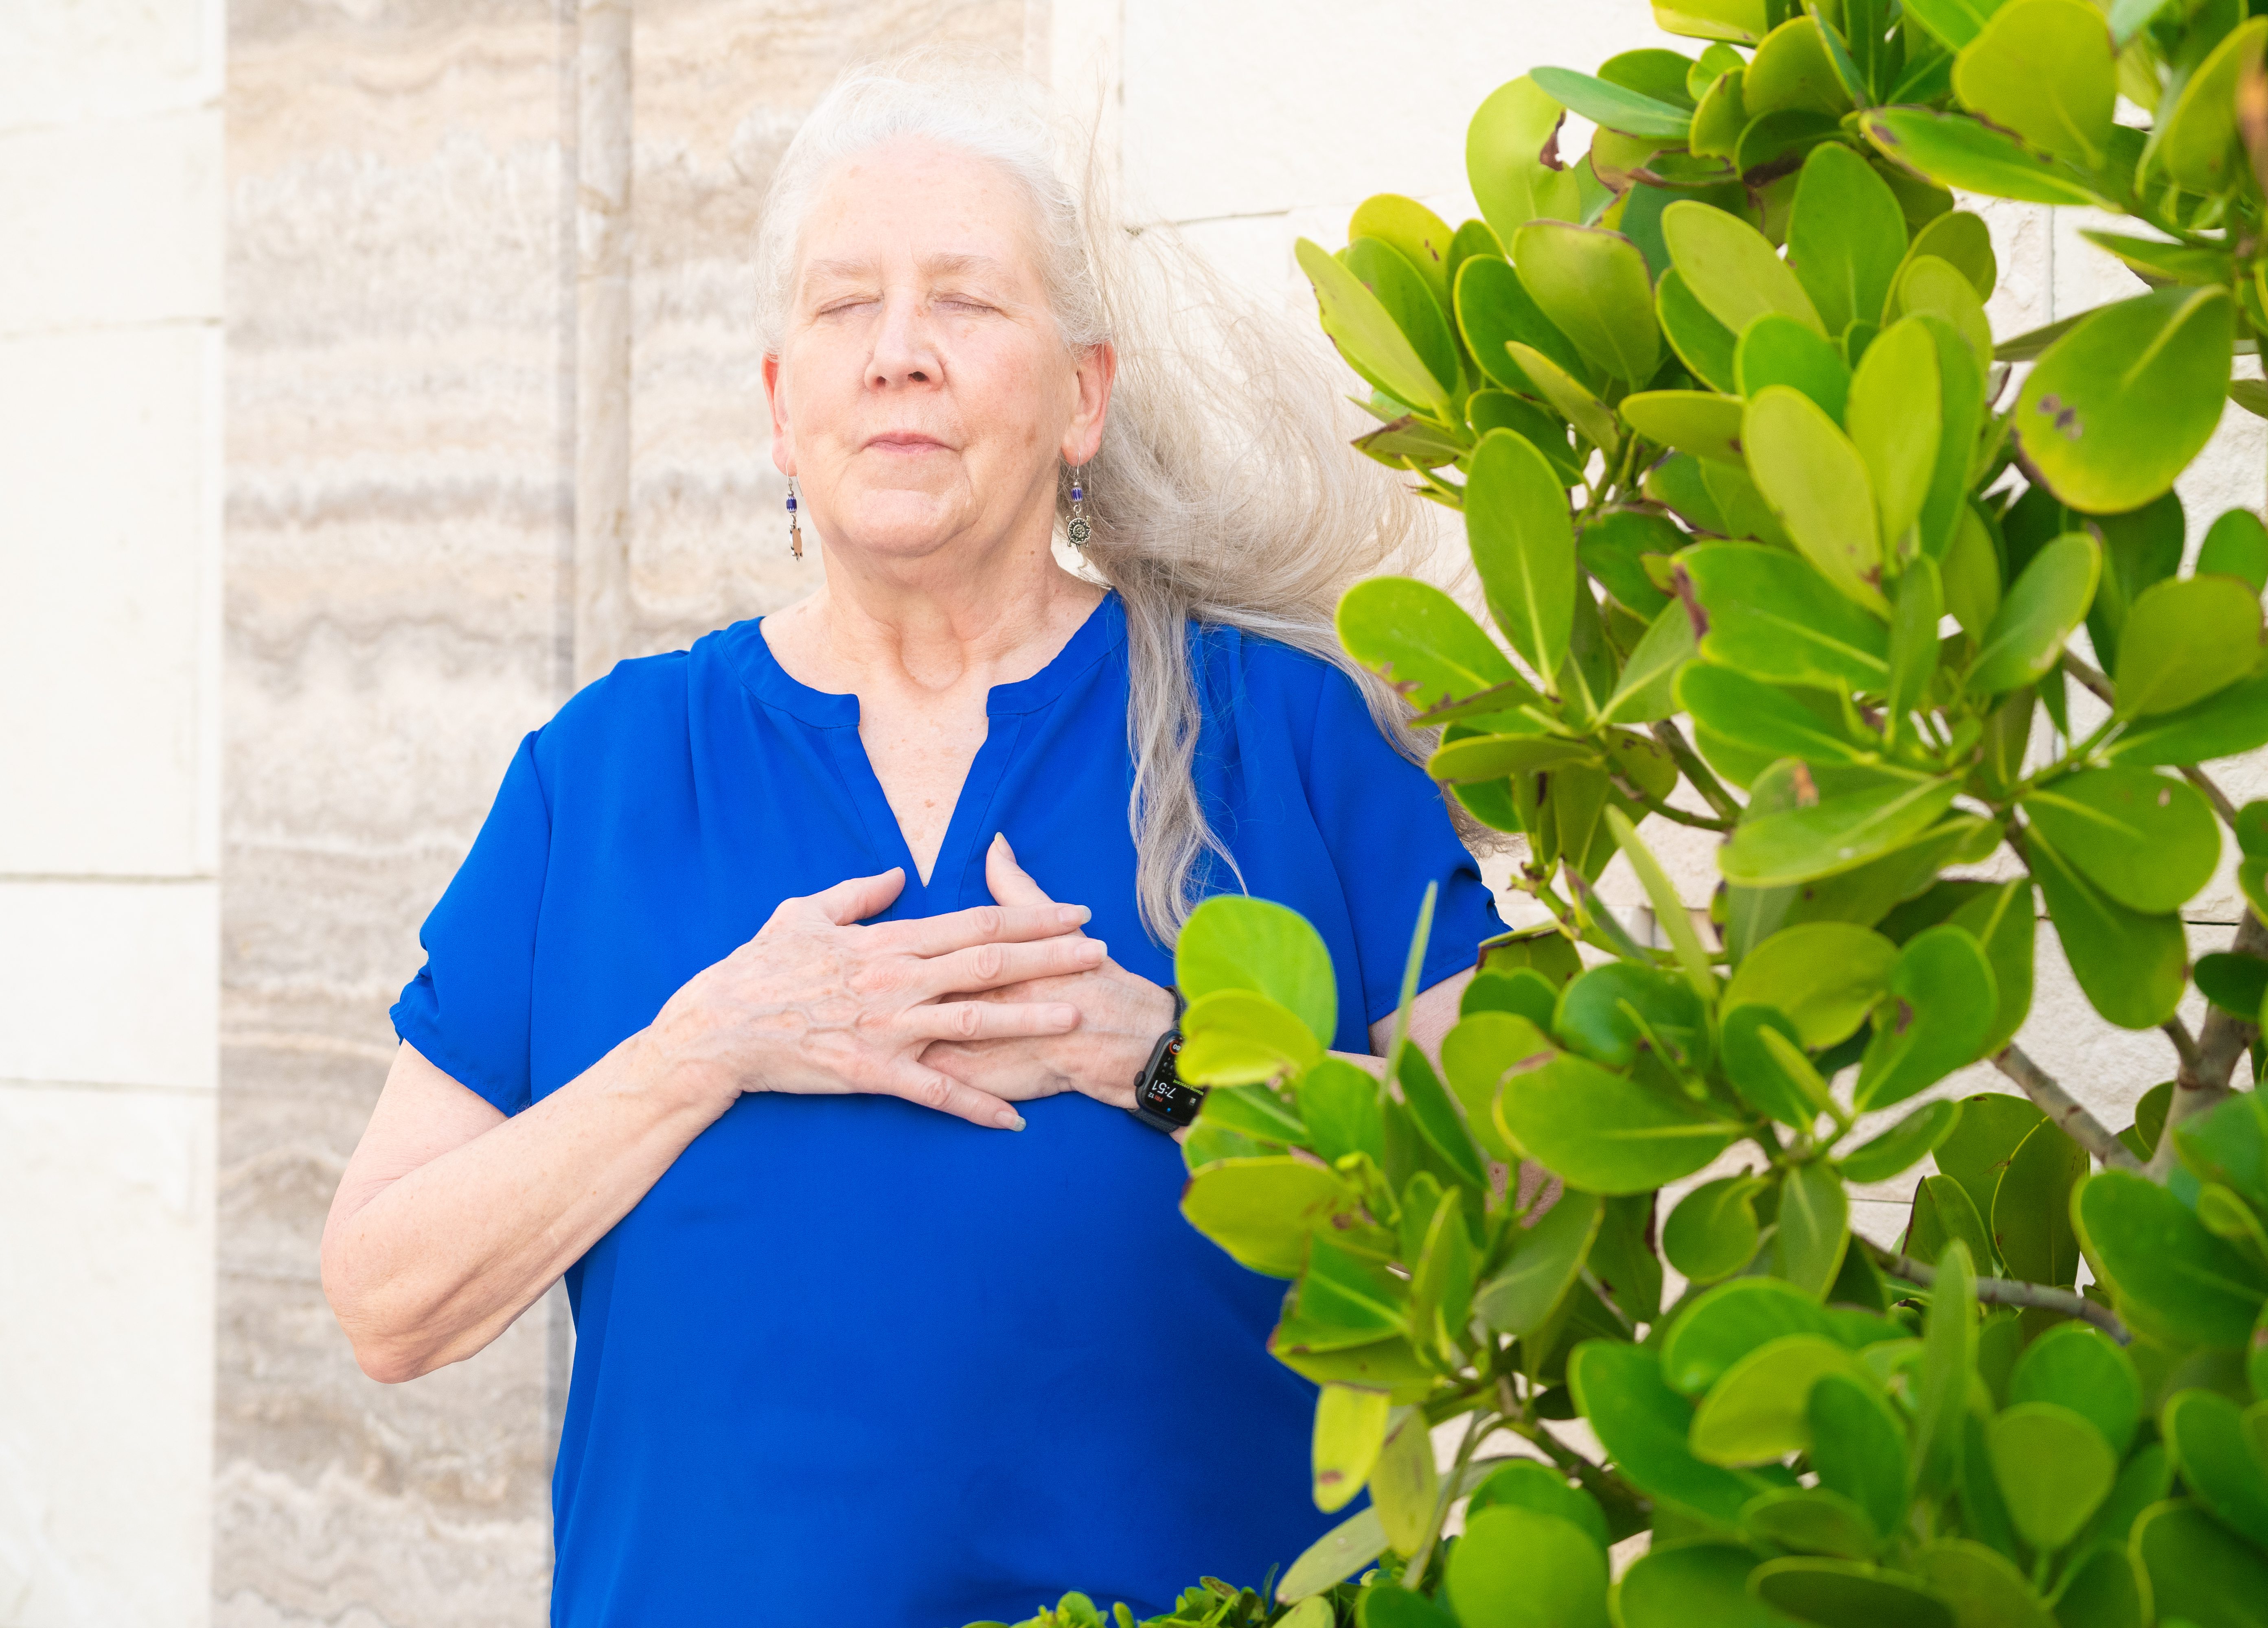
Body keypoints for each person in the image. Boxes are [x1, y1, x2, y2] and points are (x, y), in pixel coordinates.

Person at [319, 59, 1503, 1628]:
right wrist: (705, 1048)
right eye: (843, 306)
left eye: (965, 301)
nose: (898, 356)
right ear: (777, 407)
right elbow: (388, 1297)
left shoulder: (1287, 732)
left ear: (1083, 393)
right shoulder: (599, 773)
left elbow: (1526, 1192)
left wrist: (1181, 1066)